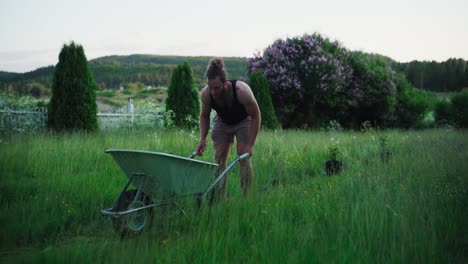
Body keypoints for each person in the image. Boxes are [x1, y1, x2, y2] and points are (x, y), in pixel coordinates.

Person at [196, 58, 261, 198]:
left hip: (244, 120)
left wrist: (250, 145)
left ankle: (245, 196)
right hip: (223, 121)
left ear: (225, 83)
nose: (213, 92)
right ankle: (221, 198)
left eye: (217, 88)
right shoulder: (206, 94)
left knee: (243, 156)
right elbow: (204, 116)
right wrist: (202, 139)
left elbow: (256, 115)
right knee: (219, 158)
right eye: (210, 87)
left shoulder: (242, 91)